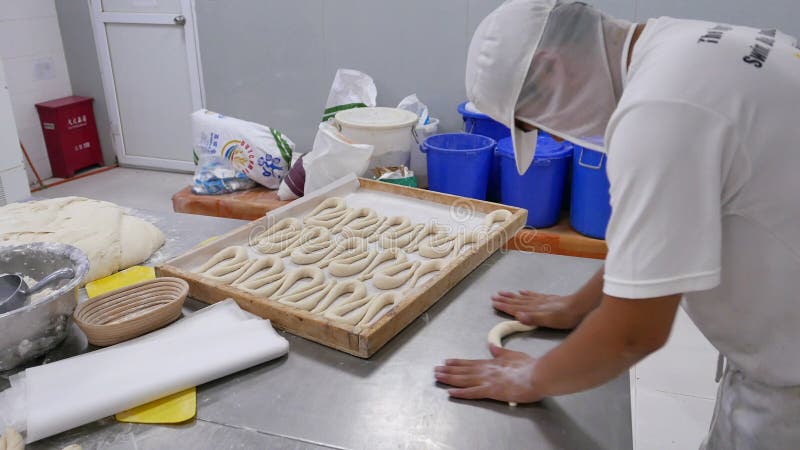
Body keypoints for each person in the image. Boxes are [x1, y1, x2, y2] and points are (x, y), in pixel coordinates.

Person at [434, 1, 800, 448]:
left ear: (552, 70)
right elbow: (666, 236)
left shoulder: (660, 113)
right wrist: (578, 306)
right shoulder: (679, 46)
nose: (551, 135)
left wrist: (531, 378)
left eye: (535, 122)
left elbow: (632, 335)